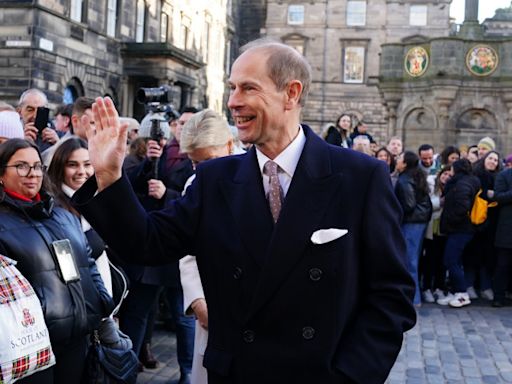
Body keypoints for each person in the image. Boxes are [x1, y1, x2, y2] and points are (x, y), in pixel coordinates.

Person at [73, 38, 416, 384]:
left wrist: (351, 376)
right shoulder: (214, 180)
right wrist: (109, 176)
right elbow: (145, 243)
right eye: (232, 88)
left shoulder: (359, 177)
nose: (233, 102)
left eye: (248, 88)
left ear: (291, 94)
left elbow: (391, 295)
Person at [0, 138, 113, 383]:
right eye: (21, 166)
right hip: (30, 346)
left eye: (37, 166)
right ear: (1, 174)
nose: (32, 173)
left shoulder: (63, 215)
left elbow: (88, 262)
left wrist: (101, 301)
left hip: (77, 338)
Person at [178, 109, 237, 384]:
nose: (203, 172)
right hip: (211, 304)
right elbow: (187, 249)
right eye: (195, 163)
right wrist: (197, 299)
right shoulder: (195, 184)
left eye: (209, 161)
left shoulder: (260, 174)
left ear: (228, 145)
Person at [437, 159, 480, 308]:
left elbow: (462, 207)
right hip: (461, 228)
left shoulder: (462, 184)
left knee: (451, 260)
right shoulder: (467, 181)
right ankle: (455, 291)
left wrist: (451, 220)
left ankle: (462, 294)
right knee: (455, 260)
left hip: (461, 228)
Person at [394, 151, 433, 307]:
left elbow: (408, 205)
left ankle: (413, 298)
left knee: (410, 261)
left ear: (405, 163)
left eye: (399, 158)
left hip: (412, 222)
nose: (397, 160)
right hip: (420, 221)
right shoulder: (416, 175)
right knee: (412, 259)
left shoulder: (405, 180)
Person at [464, 150, 501, 301]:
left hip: (492, 222)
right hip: (475, 220)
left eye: (496, 159)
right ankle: (469, 285)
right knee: (472, 254)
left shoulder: (499, 177)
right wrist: (488, 193)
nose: (493, 161)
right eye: (490, 158)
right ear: (484, 159)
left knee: (487, 256)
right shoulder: (476, 175)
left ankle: (485, 287)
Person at [491, 165, 512, 307]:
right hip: (507, 228)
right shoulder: (504, 175)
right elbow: (498, 196)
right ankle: (499, 296)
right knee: (503, 264)